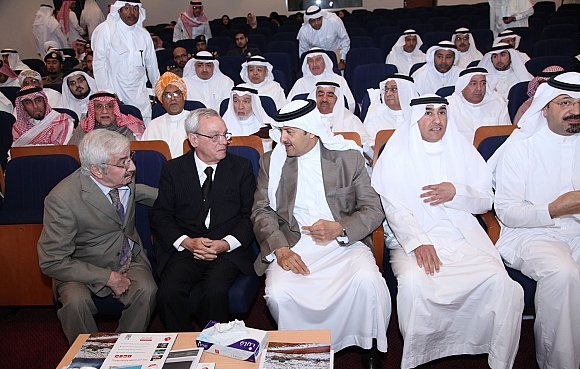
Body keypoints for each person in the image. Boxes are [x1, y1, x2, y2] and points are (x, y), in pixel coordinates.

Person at [371, 94, 524, 369]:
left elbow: (485, 200)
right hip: (412, 238)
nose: (436, 119)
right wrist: (418, 242)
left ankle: (498, 360)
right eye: (428, 112)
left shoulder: (461, 149)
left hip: (462, 235)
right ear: (416, 118)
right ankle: (420, 357)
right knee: (415, 285)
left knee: (501, 284)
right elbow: (393, 207)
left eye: (441, 112)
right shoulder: (397, 153)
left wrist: (456, 193)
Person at [252, 99, 390, 369]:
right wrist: (279, 248)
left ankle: (369, 344)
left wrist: (340, 227)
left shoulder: (348, 158)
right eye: (281, 131)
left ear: (310, 132)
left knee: (368, 282)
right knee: (279, 293)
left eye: (289, 132)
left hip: (343, 244)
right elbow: (261, 211)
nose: (282, 138)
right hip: (293, 243)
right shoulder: (273, 161)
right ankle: (299, 356)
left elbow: (374, 209)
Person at [491, 72, 580, 369]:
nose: (575, 110)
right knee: (564, 272)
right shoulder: (521, 147)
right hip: (532, 234)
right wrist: (553, 209)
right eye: (565, 102)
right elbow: (507, 212)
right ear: (545, 108)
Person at [37, 129, 158, 344]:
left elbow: (132, 192)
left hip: (128, 256)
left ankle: (125, 349)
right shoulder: (61, 200)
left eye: (131, 157)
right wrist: (108, 277)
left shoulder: (123, 176)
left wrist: (180, 196)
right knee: (76, 303)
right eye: (123, 162)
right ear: (96, 170)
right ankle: (90, 354)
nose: (132, 167)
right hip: (81, 266)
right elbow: (52, 261)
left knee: (147, 290)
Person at [151, 108, 256, 331]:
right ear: (194, 139)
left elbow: (251, 216)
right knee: (169, 292)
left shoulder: (241, 168)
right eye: (214, 136)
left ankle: (216, 348)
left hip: (227, 250)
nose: (223, 142)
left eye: (225, 135)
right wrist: (187, 242)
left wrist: (225, 244)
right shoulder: (174, 169)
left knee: (214, 292)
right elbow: (161, 216)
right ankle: (182, 347)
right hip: (189, 249)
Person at [92, 0, 160, 123]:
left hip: (140, 93)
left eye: (135, 8)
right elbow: (99, 64)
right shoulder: (105, 31)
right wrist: (108, 93)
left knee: (143, 129)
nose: (132, 12)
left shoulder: (144, 35)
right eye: (127, 8)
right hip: (115, 92)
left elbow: (152, 65)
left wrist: (158, 89)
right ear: (119, 10)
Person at [447, 67, 510, 142]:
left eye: (483, 83)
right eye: (473, 84)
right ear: (463, 86)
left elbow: (507, 135)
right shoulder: (449, 105)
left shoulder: (498, 102)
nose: (479, 88)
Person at [310, 81, 372, 152]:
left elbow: (366, 144)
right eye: (320, 95)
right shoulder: (307, 119)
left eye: (330, 95)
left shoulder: (351, 119)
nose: (324, 99)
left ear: (337, 99)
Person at [288, 48, 355, 113]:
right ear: (307, 64)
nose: (314, 64)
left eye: (318, 60)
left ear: (325, 61)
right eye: (311, 61)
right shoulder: (300, 83)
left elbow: (350, 105)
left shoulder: (339, 80)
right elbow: (289, 106)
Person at [142, 72, 189, 158]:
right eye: (167, 95)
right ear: (162, 102)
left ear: (183, 97)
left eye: (176, 93)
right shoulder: (153, 125)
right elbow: (145, 154)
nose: (173, 98)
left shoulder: (196, 120)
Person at [76, 91, 145, 143]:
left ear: (115, 109)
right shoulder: (83, 128)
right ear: (92, 111)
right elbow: (71, 156)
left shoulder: (131, 126)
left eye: (109, 106)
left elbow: (140, 153)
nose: (105, 111)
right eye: (99, 107)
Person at [364, 74, 418, 138]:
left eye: (394, 89)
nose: (388, 94)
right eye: (386, 89)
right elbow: (368, 143)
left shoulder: (418, 118)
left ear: (406, 92)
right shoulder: (376, 117)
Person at [297, 6, 350, 70]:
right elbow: (303, 53)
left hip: (336, 55)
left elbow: (345, 40)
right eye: (313, 21)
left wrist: (343, 59)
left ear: (322, 17)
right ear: (308, 21)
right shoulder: (304, 31)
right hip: (316, 59)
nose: (316, 23)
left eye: (318, 19)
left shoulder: (334, 21)